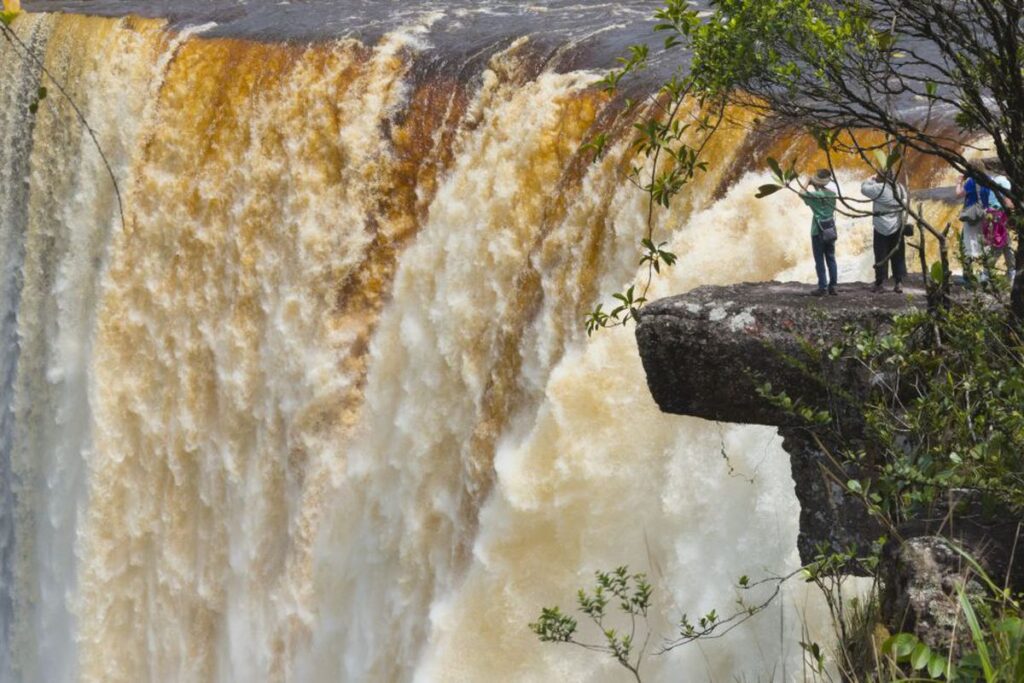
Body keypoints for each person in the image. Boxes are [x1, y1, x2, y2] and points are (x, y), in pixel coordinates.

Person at [861, 173, 908, 293]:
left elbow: (863, 188)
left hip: (881, 227)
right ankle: (899, 283)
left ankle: (880, 283)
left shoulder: (878, 188)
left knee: (880, 254)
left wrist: (871, 178)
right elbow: (905, 203)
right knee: (898, 255)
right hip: (896, 225)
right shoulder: (900, 189)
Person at [799, 168, 839, 296]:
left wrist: (807, 182)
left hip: (818, 231)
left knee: (819, 260)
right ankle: (833, 286)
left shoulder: (815, 196)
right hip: (830, 230)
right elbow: (822, 194)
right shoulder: (832, 195)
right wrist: (816, 185)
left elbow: (801, 193)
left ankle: (822, 287)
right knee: (831, 258)